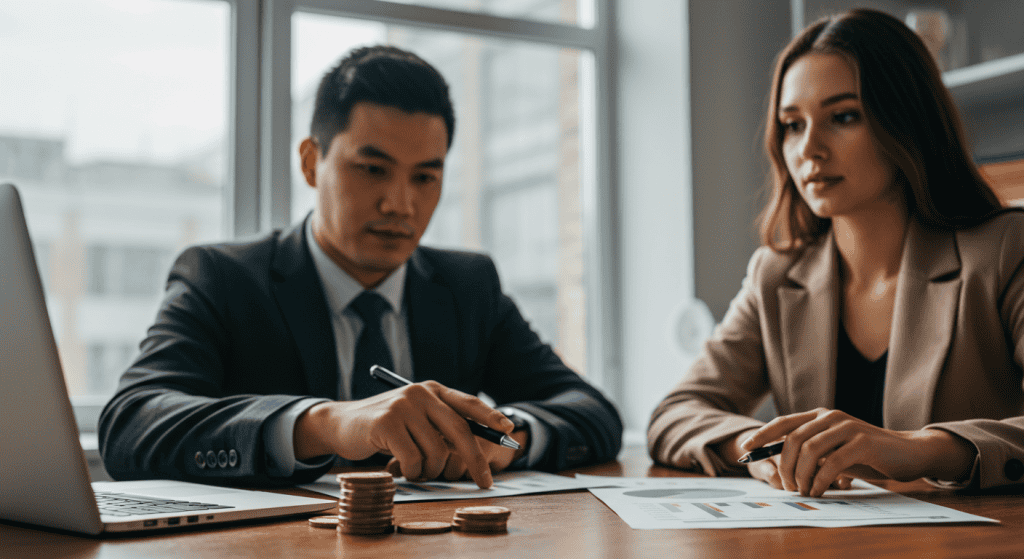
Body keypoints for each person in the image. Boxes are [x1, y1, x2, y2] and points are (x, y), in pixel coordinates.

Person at [99, 45, 622, 488]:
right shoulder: (222, 277)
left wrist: (508, 439)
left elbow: (591, 411)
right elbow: (130, 424)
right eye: (373, 169)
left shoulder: (467, 286)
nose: (401, 205)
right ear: (310, 162)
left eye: (425, 177)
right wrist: (324, 423)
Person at [648, 8, 1024, 497]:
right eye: (792, 125)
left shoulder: (1003, 251)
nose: (809, 149)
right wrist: (756, 447)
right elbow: (674, 414)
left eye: (843, 117)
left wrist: (918, 449)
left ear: (906, 120)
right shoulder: (778, 275)